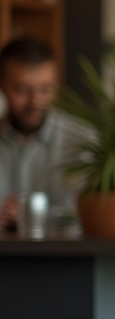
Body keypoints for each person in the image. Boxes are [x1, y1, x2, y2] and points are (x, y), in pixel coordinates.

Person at [0, 38, 86, 231]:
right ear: (2, 84)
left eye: (45, 90)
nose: (35, 102)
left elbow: (92, 215)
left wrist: (31, 214)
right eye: (21, 90)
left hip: (67, 260)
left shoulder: (84, 142)